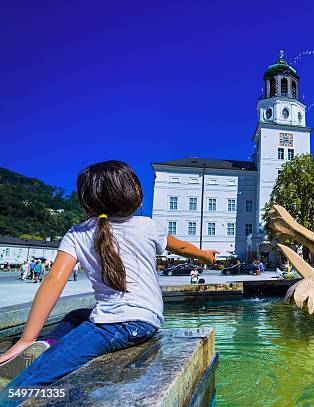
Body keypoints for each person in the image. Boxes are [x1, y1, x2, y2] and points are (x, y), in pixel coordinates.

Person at [0, 161, 217, 402]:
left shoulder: (78, 233)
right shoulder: (149, 226)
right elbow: (184, 248)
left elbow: (53, 281)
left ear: (87, 199)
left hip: (114, 326)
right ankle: (48, 344)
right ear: (133, 192)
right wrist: (205, 255)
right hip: (146, 322)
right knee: (76, 316)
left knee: (26, 383)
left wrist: (25, 339)